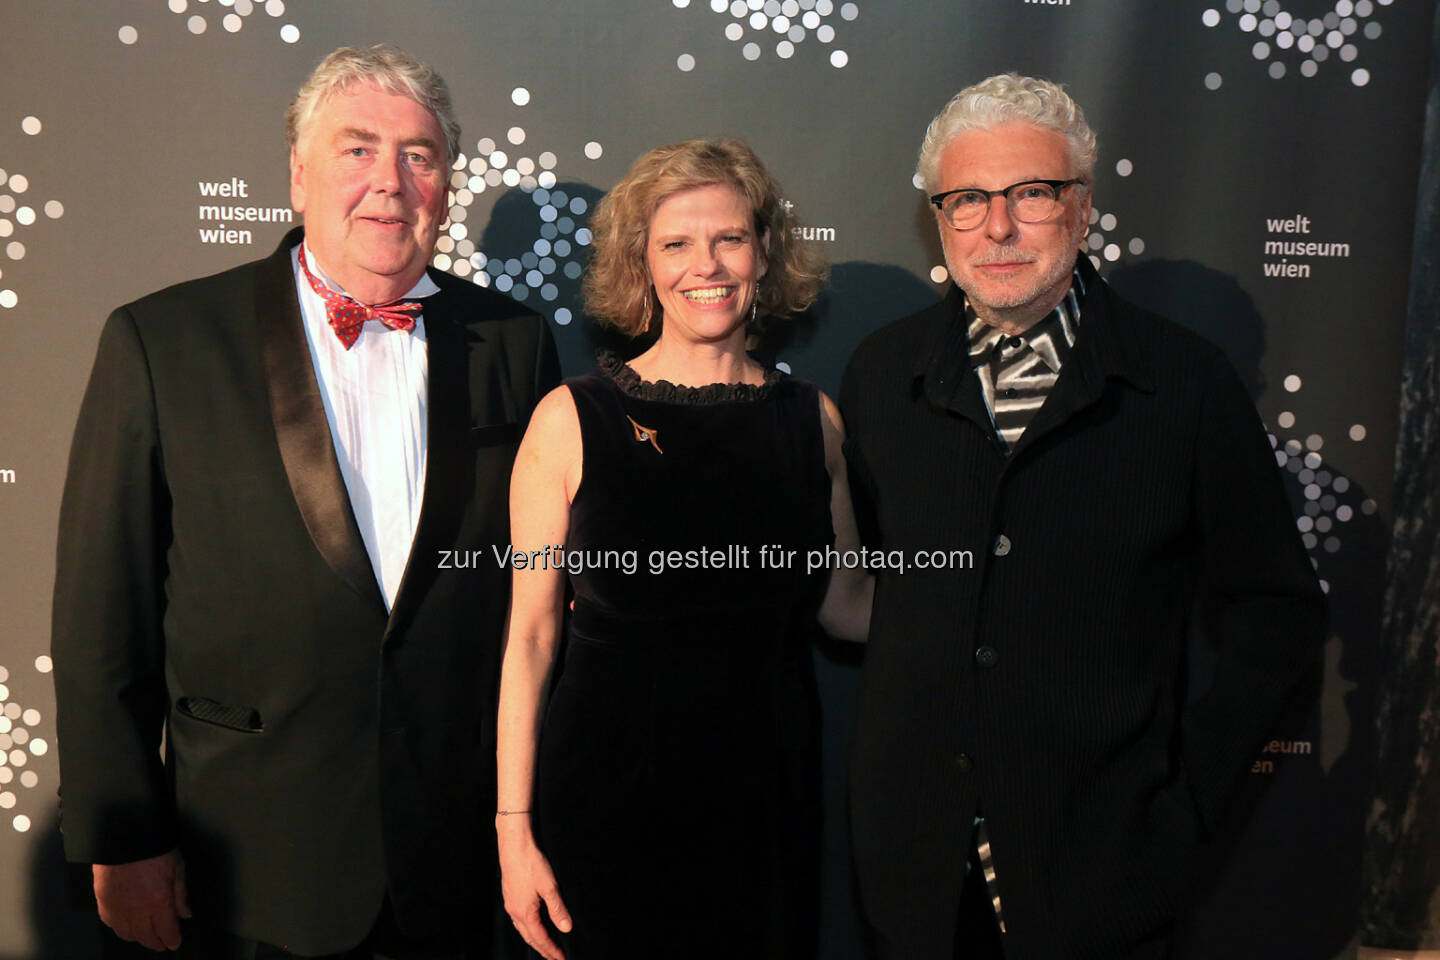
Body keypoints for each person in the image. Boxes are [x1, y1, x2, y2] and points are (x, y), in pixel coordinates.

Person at [51, 44, 559, 959]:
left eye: (420, 154)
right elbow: (102, 614)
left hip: (448, 862)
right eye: (356, 149)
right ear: (297, 174)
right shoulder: (163, 341)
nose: (389, 182)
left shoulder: (515, 346)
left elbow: (534, 599)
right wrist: (123, 838)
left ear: (446, 182)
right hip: (246, 865)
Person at [839, 74, 1326, 959]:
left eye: (1030, 193)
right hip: (914, 878)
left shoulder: (1183, 383)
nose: (997, 226)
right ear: (938, 219)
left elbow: (1278, 613)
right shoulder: (881, 376)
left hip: (1104, 875)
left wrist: (1186, 809)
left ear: (1083, 205)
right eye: (967, 200)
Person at [494, 138, 870, 960]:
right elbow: (529, 637)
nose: (707, 264)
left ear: (764, 254)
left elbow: (847, 610)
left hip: (766, 801)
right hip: (605, 803)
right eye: (676, 243)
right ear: (643, 265)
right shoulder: (570, 418)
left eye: (729, 238)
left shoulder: (816, 421)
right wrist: (513, 830)